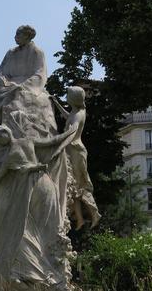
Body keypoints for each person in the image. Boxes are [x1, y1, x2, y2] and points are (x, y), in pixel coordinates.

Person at [51, 86, 101, 230]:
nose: (66, 97)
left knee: (80, 185)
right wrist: (57, 104)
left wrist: (58, 147)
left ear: (72, 98)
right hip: (71, 151)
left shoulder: (78, 115)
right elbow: (68, 116)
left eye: (68, 95)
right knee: (73, 187)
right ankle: (79, 219)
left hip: (76, 152)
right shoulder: (77, 111)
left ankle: (95, 213)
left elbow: (71, 134)